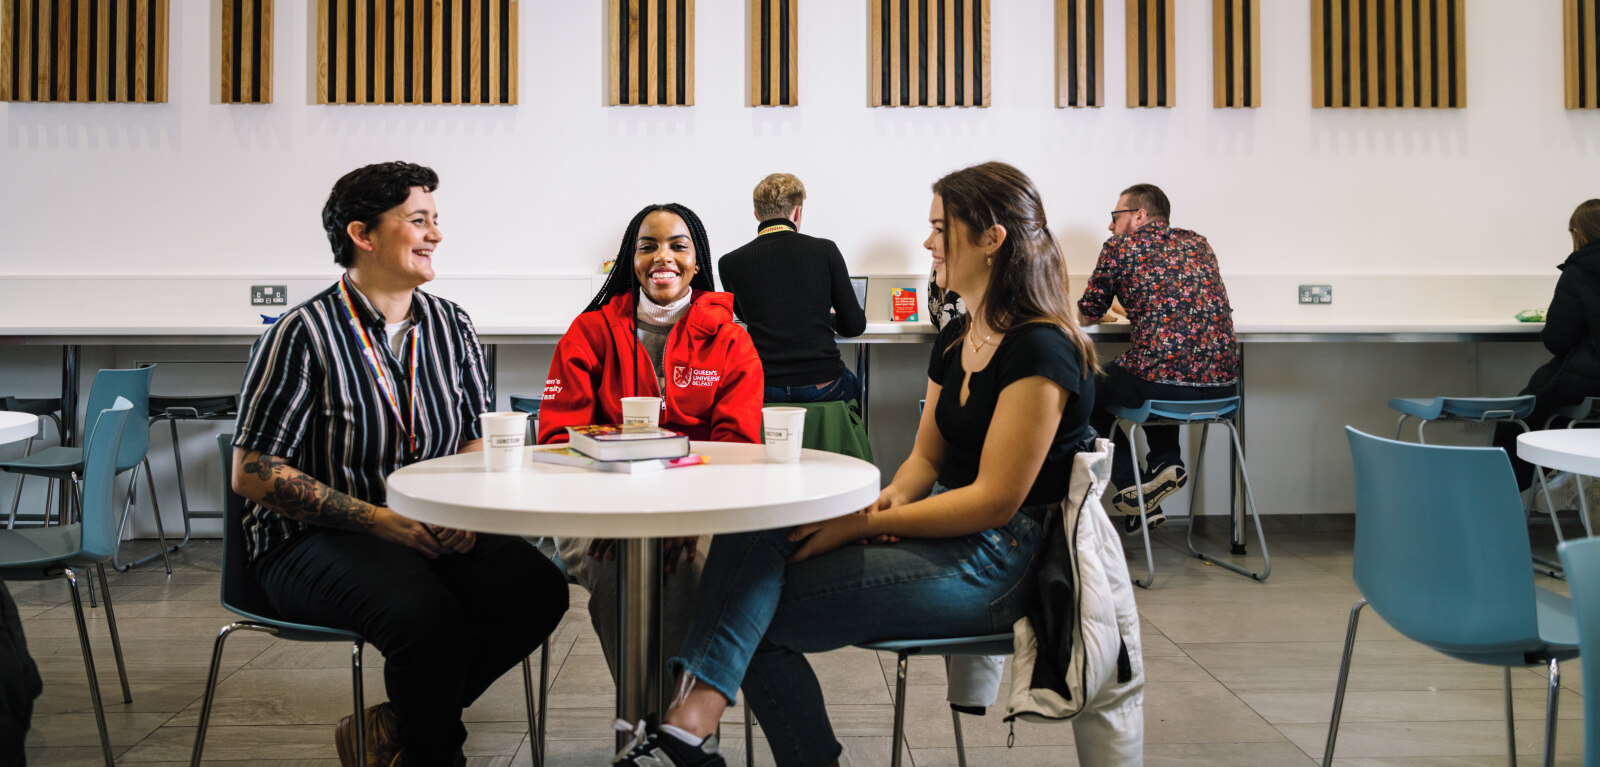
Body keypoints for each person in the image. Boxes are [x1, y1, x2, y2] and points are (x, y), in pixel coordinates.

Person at [611, 161, 1100, 767]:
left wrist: (863, 524)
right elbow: (925, 459)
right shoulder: (960, 338)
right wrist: (885, 504)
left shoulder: (1041, 345)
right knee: (762, 527)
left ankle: (693, 720)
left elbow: (995, 500)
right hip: (956, 535)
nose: (928, 242)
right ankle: (690, 724)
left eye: (940, 229)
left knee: (752, 611)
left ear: (992, 238)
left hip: (1004, 561)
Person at [231, 161, 568, 767]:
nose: (435, 234)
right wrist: (378, 521)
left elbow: (472, 439)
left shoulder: (451, 324)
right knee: (427, 618)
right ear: (363, 234)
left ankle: (401, 722)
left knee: (539, 590)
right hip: (312, 539)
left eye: (436, 220)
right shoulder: (301, 333)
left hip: (431, 528)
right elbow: (253, 470)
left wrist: (469, 508)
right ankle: (434, 752)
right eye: (418, 220)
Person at [538, 203, 763, 682]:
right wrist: (612, 512)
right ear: (630, 259)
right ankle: (654, 725)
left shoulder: (731, 341)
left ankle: (672, 728)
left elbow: (738, 447)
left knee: (685, 565)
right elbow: (557, 441)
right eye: (648, 246)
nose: (663, 256)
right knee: (621, 560)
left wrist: (684, 514)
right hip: (597, 509)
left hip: (703, 507)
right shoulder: (589, 332)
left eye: (678, 246)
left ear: (697, 260)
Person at [1078, 183, 1239, 535]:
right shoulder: (1198, 243)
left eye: (1115, 216)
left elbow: (1089, 313)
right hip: (1224, 389)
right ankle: (1163, 465)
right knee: (1153, 373)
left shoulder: (1121, 247)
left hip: (1161, 381)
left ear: (1139, 215)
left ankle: (1131, 485)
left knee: (1086, 388)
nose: (1110, 226)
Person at [718, 174, 867, 404]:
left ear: (757, 215)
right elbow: (854, 326)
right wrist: (827, 319)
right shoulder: (825, 251)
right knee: (854, 385)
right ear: (797, 213)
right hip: (822, 384)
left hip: (763, 386)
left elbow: (745, 316)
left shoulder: (729, 262)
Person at [1494, 200, 1600, 491]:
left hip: (1589, 383)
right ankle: (1575, 480)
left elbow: (1558, 340)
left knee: (1518, 419)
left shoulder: (1579, 271)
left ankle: (1513, 495)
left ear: (1580, 232)